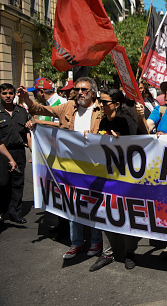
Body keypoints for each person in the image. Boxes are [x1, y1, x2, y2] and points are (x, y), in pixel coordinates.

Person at [17, 77, 104, 259]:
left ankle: (96, 242)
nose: (80, 92)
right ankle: (77, 243)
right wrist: (27, 100)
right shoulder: (67, 107)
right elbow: (42, 109)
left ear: (92, 92)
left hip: (94, 166)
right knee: (72, 204)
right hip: (70, 165)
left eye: (84, 90)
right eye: (78, 89)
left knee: (93, 205)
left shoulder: (100, 109)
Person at [88, 89, 146, 272]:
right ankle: (108, 253)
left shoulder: (127, 120)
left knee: (126, 215)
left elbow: (141, 143)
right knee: (105, 213)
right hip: (109, 175)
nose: (100, 105)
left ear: (116, 104)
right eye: (100, 101)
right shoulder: (104, 121)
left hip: (128, 177)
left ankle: (130, 252)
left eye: (104, 102)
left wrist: (122, 142)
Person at [0, 83, 30, 224]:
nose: (8, 96)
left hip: (18, 151)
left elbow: (26, 133)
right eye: (4, 93)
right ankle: (2, 211)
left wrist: (32, 150)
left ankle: (15, 213)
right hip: (2, 153)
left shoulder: (21, 111)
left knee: (18, 182)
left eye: (10, 93)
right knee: (3, 183)